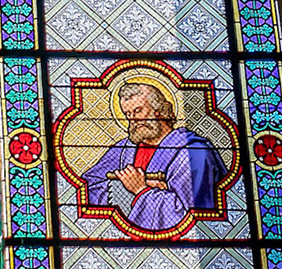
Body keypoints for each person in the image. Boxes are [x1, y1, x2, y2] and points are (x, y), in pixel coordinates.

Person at [82, 77, 227, 237]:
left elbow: (195, 219)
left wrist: (141, 190)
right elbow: (86, 190)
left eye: (138, 111)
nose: (133, 120)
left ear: (158, 109)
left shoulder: (194, 152)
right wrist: (120, 187)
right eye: (128, 114)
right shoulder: (124, 149)